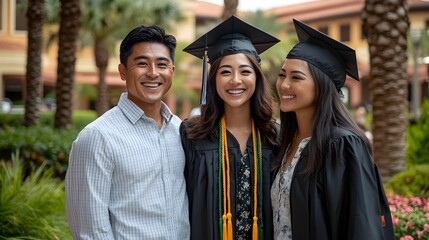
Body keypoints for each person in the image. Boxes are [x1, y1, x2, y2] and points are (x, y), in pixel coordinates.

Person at [271, 19, 395, 240]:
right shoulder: (286, 143)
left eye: (296, 77)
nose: (284, 85)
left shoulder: (342, 145)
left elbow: (361, 224)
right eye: (282, 75)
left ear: (322, 85)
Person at [65, 25, 190, 239]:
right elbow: (91, 229)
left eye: (162, 64)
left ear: (172, 71)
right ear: (123, 71)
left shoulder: (179, 130)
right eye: (142, 64)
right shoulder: (97, 137)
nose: (153, 73)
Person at [181, 16, 280, 240]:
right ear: (213, 79)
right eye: (225, 72)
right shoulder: (192, 135)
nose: (235, 80)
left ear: (257, 78)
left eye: (245, 71)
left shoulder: (275, 136)